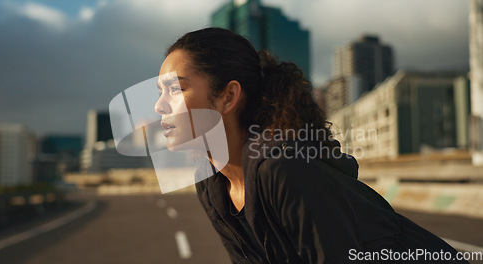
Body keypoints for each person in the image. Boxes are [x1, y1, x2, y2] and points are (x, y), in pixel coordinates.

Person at [155, 27, 469, 263]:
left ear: (228, 96)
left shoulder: (282, 169)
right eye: (159, 91)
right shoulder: (211, 183)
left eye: (175, 90)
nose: (159, 106)